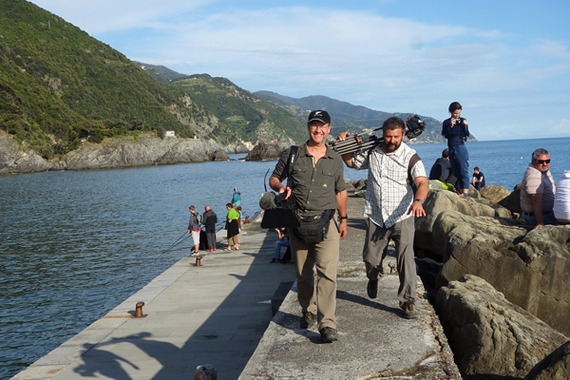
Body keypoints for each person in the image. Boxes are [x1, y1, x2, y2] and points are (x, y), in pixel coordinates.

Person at [338, 116, 428, 319]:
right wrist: (345, 146)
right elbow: (352, 162)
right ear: (383, 134)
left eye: (396, 137)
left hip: (402, 214)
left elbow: (422, 182)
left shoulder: (411, 156)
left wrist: (418, 201)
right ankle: (373, 277)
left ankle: (408, 301)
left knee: (405, 259)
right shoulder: (373, 151)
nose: (392, 140)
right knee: (370, 259)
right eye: (388, 136)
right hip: (376, 215)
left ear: (403, 135)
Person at [269, 109, 348, 343]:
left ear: (329, 129)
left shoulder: (335, 159)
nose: (318, 130)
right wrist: (280, 188)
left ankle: (327, 324)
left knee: (328, 274)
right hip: (298, 222)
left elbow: (341, 191)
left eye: (323, 126)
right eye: (314, 125)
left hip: (326, 222)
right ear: (308, 127)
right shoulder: (292, 155)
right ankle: (308, 308)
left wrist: (343, 219)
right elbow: (275, 178)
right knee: (303, 275)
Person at [520, 148, 556, 229]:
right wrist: (540, 222)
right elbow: (536, 199)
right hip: (542, 216)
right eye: (541, 161)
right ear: (533, 161)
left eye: (547, 161)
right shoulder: (534, 175)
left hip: (548, 213)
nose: (544, 164)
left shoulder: (543, 171)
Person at [442, 101, 470, 198]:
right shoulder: (446, 122)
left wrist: (465, 125)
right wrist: (451, 125)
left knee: (463, 170)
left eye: (458, 113)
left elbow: (466, 135)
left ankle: (465, 192)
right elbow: (445, 134)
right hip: (451, 147)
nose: (457, 115)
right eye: (455, 113)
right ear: (450, 111)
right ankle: (460, 190)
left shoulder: (462, 120)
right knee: (455, 171)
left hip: (460, 147)